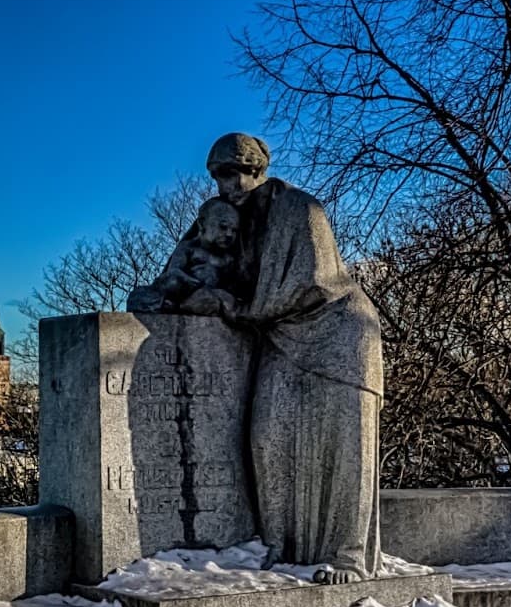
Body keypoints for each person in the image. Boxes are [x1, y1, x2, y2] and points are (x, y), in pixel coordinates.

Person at [157, 133, 385, 583]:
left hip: (339, 333)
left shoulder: (301, 210)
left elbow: (311, 282)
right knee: (269, 440)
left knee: (345, 448)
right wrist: (169, 293)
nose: (226, 186)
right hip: (280, 335)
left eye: (233, 174)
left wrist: (227, 305)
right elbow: (186, 264)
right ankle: (282, 546)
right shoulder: (223, 216)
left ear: (256, 170)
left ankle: (349, 557)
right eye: (219, 177)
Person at [129, 196, 244, 317]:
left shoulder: (229, 259)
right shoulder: (188, 248)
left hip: (208, 296)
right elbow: (173, 272)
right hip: (183, 290)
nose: (229, 234)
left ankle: (177, 306)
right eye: (223, 227)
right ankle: (169, 304)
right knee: (169, 283)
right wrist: (189, 281)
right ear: (202, 223)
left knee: (215, 300)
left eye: (234, 230)